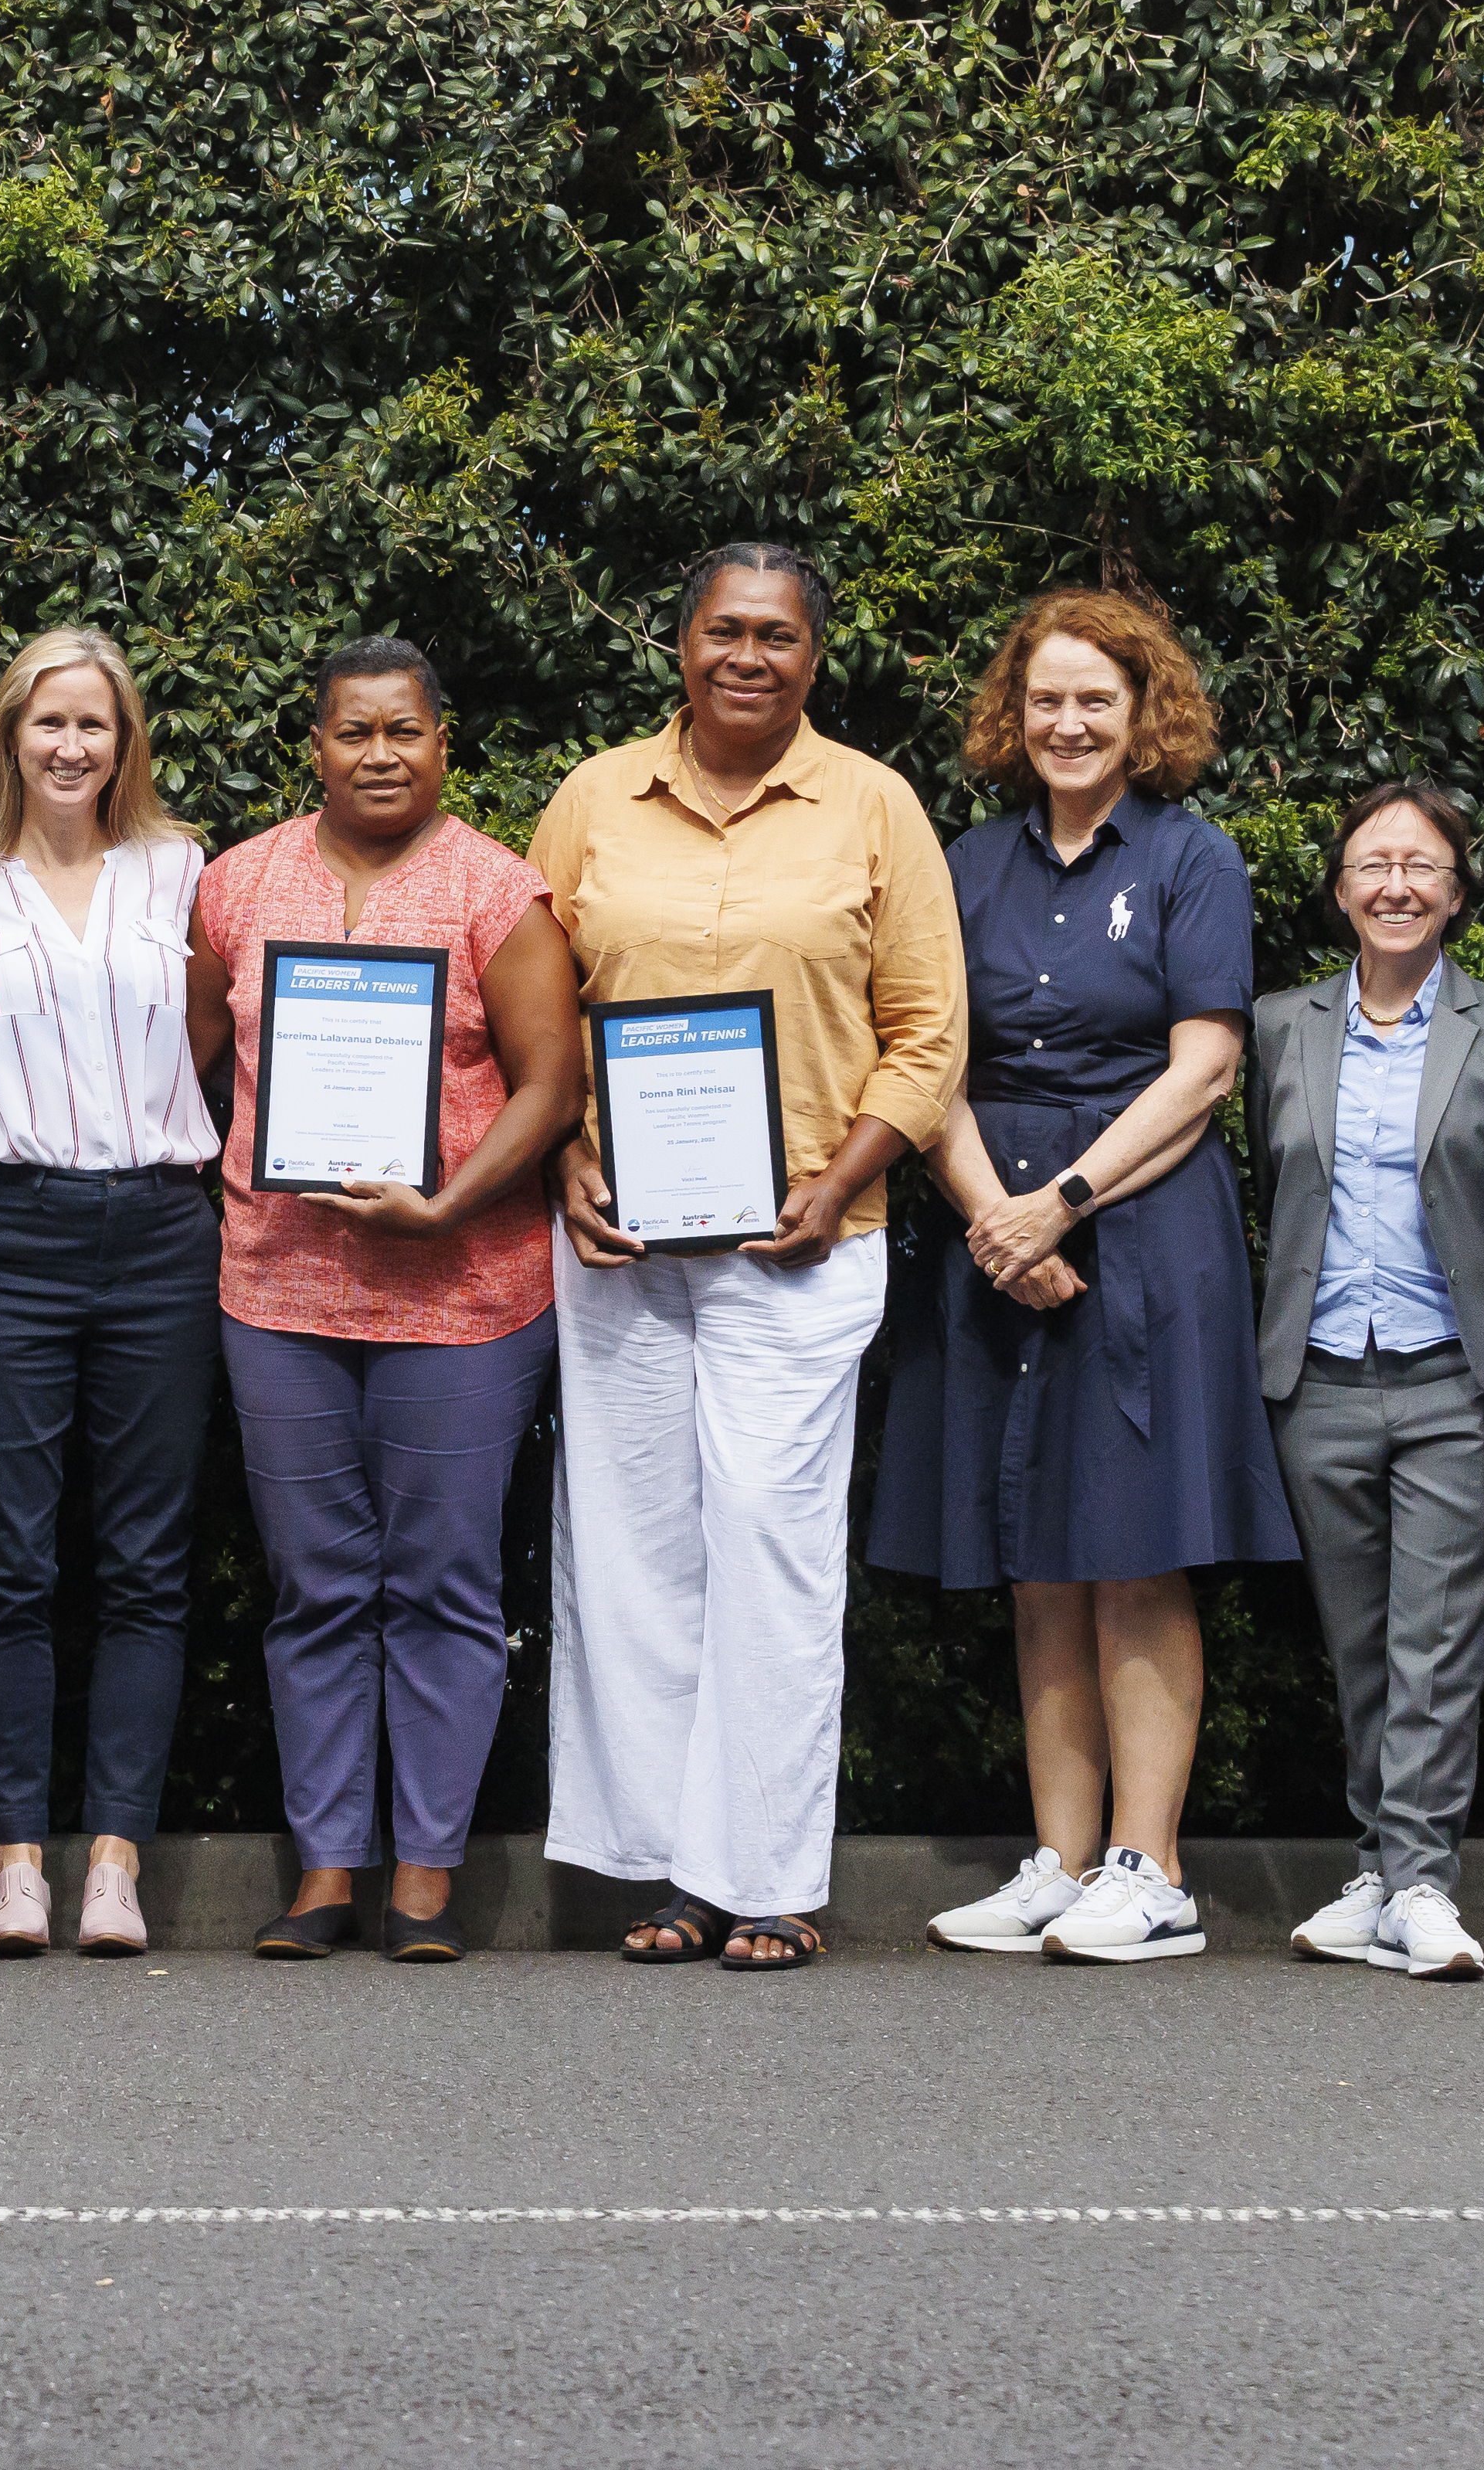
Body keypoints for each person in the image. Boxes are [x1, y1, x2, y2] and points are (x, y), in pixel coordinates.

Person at [537, 545, 968, 1975]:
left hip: (804, 1240)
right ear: (679, 643)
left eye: (778, 636)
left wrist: (844, 1174)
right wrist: (562, 1158)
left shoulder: (875, 807)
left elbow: (928, 1031)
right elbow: (528, 1018)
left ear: (813, 657)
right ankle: (668, 1874)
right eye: (724, 630)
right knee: (636, 1557)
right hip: (621, 1242)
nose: (748, 656)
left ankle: (769, 1877)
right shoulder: (596, 799)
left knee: (774, 1555)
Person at [869, 587, 1299, 1965]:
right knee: (1032, 1554)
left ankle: (1151, 1867)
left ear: (1143, 714)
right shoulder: (965, 862)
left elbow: (1206, 1068)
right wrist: (994, 1216)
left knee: (1134, 1548)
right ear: (1014, 710)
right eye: (1045, 698)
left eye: (1095, 701)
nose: (1067, 722)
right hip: (993, 1211)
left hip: (1143, 1226)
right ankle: (1057, 1861)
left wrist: (1060, 1207)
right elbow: (925, 1053)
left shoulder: (1192, 858)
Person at [193, 637, 586, 1965]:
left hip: (464, 1296)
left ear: (442, 741)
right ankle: (325, 1872)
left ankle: (424, 1875)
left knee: (445, 1587)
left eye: (403, 732)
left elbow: (550, 1084)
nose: (379, 754)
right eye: (353, 731)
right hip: (280, 1292)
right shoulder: (238, 885)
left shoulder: (499, 891)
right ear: (315, 745)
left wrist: (453, 1198)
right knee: (314, 1590)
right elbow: (199, 1061)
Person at [0, 629, 222, 1959]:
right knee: (7, 1562)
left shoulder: (184, 869)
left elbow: (212, 1031)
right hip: (18, 1234)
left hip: (162, 1229)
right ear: (7, 737)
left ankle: (114, 1864)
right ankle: (20, 1862)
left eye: (95, 725)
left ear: (126, 740)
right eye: (48, 724)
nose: (72, 747)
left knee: (148, 1564)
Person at [1249, 781, 1484, 1984]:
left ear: (1457, 892)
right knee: (1363, 1642)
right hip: (1319, 1374)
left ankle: (1422, 1880)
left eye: (1421, 865)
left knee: (1438, 1639)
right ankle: (1380, 1872)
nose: (1395, 885)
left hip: (1459, 1380)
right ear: (1339, 890)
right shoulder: (1284, 1025)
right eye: (1373, 864)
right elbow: (1275, 1193)